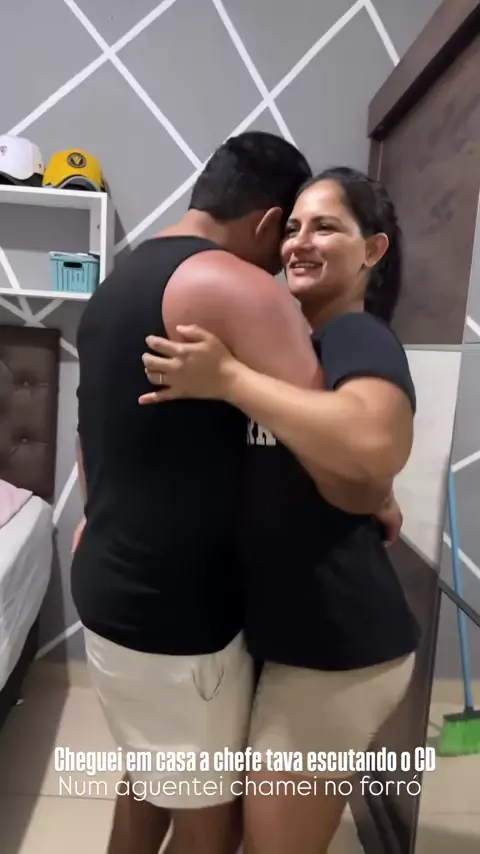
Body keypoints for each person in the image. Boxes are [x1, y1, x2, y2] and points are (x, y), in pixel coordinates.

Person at [72, 134, 396, 854]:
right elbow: (334, 451)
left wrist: (99, 514)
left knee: (146, 787)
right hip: (179, 613)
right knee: (208, 824)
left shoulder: (115, 285)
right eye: (289, 232)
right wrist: (375, 493)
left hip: (107, 582)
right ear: (267, 222)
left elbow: (88, 428)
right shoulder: (237, 287)